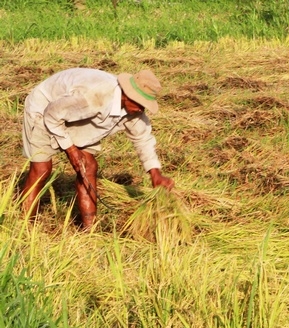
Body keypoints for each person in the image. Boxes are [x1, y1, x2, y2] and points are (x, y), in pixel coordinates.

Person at [21, 68, 174, 230]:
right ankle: (27, 226)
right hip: (45, 108)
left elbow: (143, 139)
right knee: (42, 170)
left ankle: (89, 229)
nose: (141, 110)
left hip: (82, 115)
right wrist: (71, 149)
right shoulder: (94, 96)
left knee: (88, 167)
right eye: (140, 104)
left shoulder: (134, 111)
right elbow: (52, 114)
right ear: (127, 95)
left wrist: (155, 173)